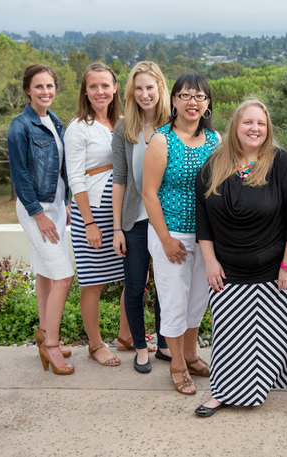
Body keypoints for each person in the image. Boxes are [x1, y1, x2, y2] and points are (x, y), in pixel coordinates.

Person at [194, 99, 287, 417]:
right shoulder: (214, 165)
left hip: (272, 273)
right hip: (227, 271)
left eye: (261, 123)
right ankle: (221, 393)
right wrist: (210, 262)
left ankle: (256, 391)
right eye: (248, 123)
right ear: (235, 127)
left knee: (266, 341)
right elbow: (203, 220)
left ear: (267, 129)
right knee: (229, 340)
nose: (255, 128)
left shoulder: (280, 163)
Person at [143, 73, 219, 394]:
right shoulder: (162, 140)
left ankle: (190, 354)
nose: (193, 102)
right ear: (173, 100)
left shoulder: (215, 140)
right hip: (170, 233)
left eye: (199, 97)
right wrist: (165, 239)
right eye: (186, 96)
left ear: (208, 104)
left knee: (196, 301)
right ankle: (176, 364)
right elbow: (149, 193)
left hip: (204, 237)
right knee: (174, 300)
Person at [7, 64, 74, 375]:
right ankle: (51, 346)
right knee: (63, 275)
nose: (45, 92)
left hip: (56, 205)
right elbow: (20, 176)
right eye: (39, 87)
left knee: (46, 273)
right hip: (36, 207)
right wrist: (38, 213)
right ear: (27, 90)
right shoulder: (20, 126)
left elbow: (61, 169)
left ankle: (45, 334)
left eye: (49, 86)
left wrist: (65, 203)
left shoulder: (55, 121)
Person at [112, 61, 172, 373]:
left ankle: (164, 343)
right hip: (135, 221)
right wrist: (117, 228)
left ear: (161, 87)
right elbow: (119, 179)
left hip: (166, 220)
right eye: (139, 88)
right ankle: (140, 346)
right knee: (135, 286)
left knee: (165, 283)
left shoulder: (172, 126)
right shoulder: (125, 129)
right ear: (132, 93)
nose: (145, 94)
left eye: (150, 87)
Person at [65, 62, 125, 367]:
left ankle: (127, 336)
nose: (100, 92)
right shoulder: (78, 127)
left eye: (105, 86)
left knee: (132, 276)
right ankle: (95, 344)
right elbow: (75, 178)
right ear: (85, 91)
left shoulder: (124, 123)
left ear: (115, 88)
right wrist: (88, 222)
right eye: (93, 86)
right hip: (93, 211)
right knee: (93, 281)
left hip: (122, 209)